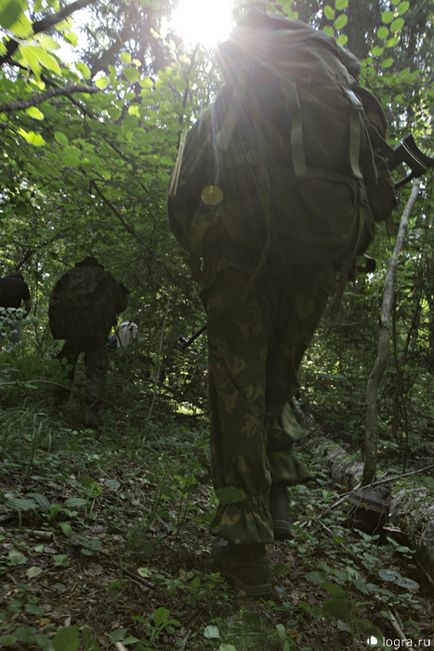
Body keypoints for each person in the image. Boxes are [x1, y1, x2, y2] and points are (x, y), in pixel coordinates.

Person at [168, 12, 396, 596]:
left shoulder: (234, 101)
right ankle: (280, 496)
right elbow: (379, 196)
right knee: (280, 380)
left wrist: (205, 249)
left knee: (237, 392)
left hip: (241, 262)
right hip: (317, 265)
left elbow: (182, 193)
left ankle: (246, 550)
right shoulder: (339, 100)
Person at [49, 256, 129, 427]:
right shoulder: (106, 278)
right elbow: (122, 303)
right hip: (97, 332)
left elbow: (55, 300)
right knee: (96, 370)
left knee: (65, 365)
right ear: (97, 265)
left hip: (72, 330)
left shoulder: (68, 276)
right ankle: (91, 414)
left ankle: (57, 406)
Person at [0, 271, 32, 350]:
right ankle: (11, 359)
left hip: (0, 313)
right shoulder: (23, 284)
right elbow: (29, 305)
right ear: (21, 278)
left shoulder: (1, 281)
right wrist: (24, 316)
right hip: (14, 316)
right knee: (15, 343)